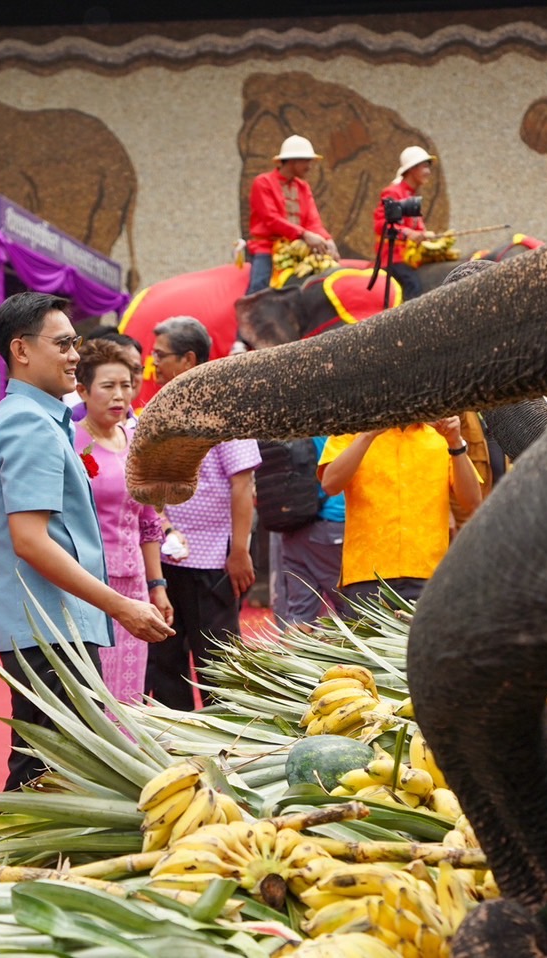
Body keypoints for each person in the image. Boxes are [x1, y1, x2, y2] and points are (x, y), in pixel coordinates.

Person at [0, 291, 173, 790]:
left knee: (51, 761)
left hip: (54, 618)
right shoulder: (28, 421)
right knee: (50, 767)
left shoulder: (41, 418)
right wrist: (123, 606)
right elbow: (31, 540)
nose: (73, 356)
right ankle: (15, 864)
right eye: (63, 344)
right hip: (47, 623)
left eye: (74, 343)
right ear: (21, 350)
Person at [144, 316, 260, 710]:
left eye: (161, 355)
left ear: (188, 359)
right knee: (165, 658)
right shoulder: (158, 409)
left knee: (218, 661)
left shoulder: (223, 409)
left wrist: (240, 550)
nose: (153, 362)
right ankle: (177, 744)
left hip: (213, 558)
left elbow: (243, 484)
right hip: (163, 557)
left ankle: (224, 744)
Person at [72, 338, 173, 702]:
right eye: (108, 386)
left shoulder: (137, 440)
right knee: (95, 693)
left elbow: (149, 520)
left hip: (135, 585)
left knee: (129, 693)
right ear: (82, 390)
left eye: (127, 385)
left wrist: (157, 586)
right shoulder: (71, 441)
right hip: (88, 585)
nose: (120, 395)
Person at [317, 415, 484, 608]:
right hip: (367, 576)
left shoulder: (441, 436)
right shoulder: (351, 431)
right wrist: (367, 434)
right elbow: (330, 485)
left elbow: (473, 501)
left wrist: (456, 443)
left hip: (428, 574)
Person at [267, 437, 346, 627]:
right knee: (355, 608)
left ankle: (289, 655)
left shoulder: (295, 426)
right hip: (331, 526)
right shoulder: (339, 433)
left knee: (300, 616)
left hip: (293, 527)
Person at [245, 134, 338, 295]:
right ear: (293, 160)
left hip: (299, 249)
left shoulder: (303, 186)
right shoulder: (263, 182)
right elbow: (271, 219)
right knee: (259, 288)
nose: (310, 165)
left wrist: (327, 239)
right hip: (267, 248)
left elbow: (313, 220)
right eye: (306, 161)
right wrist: (304, 234)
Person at [372, 146, 439, 299]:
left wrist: (425, 235)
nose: (428, 171)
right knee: (412, 284)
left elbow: (417, 225)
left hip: (411, 258)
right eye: (424, 166)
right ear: (412, 169)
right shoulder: (393, 192)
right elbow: (382, 225)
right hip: (393, 258)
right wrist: (408, 233)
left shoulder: (411, 194)